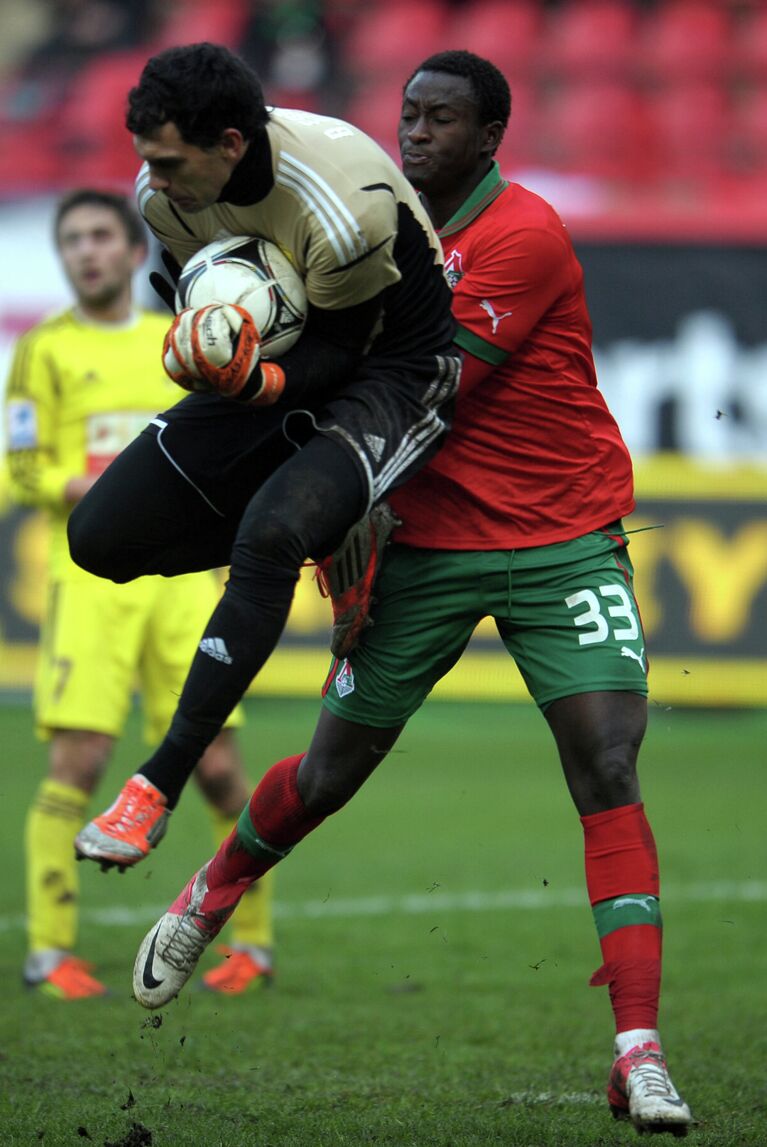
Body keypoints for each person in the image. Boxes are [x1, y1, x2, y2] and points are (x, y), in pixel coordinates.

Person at [127, 52, 693, 1137]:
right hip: (426, 542)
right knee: (333, 771)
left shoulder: (520, 234)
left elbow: (420, 381)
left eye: (441, 119)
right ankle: (213, 889)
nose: (415, 133)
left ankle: (638, 1049)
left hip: (560, 532)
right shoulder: (366, 229)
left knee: (608, 760)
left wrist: (271, 356)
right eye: (407, 115)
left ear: (489, 137)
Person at [67, 42, 459, 863]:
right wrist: (195, 334)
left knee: (269, 534)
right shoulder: (162, 196)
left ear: (232, 145)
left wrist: (250, 382)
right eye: (148, 160)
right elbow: (192, 283)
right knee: (98, 539)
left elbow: (343, 350)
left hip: (393, 370)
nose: (155, 179)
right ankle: (332, 525)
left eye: (171, 161)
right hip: (277, 364)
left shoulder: (337, 199)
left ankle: (154, 786)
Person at [4, 189, 274, 999]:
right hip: (88, 587)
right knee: (78, 761)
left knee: (219, 768)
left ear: (131, 251)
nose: (85, 251)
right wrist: (81, 481)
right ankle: (50, 950)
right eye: (71, 239)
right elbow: (22, 464)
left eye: (99, 236)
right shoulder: (43, 350)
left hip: (184, 584)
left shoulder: (183, 343)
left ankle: (249, 945)